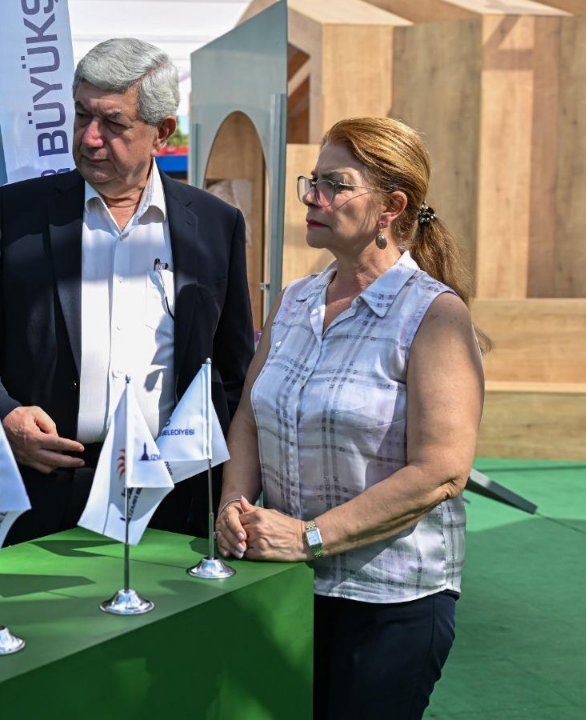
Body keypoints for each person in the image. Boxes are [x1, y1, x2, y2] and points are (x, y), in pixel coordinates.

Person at [214, 117, 485, 720]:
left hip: (390, 601)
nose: (313, 197)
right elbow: (250, 418)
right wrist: (233, 502)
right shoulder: (295, 300)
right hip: (282, 587)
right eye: (313, 181)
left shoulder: (434, 315)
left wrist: (308, 537)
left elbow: (442, 471)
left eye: (334, 184)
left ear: (392, 207)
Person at [0, 38, 254, 544]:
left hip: (174, 495)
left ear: (161, 132)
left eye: (112, 123)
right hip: (42, 491)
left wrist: (230, 490)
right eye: (83, 114)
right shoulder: (17, 214)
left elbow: (233, 371)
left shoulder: (216, 225)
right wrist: (3, 415)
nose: (90, 138)